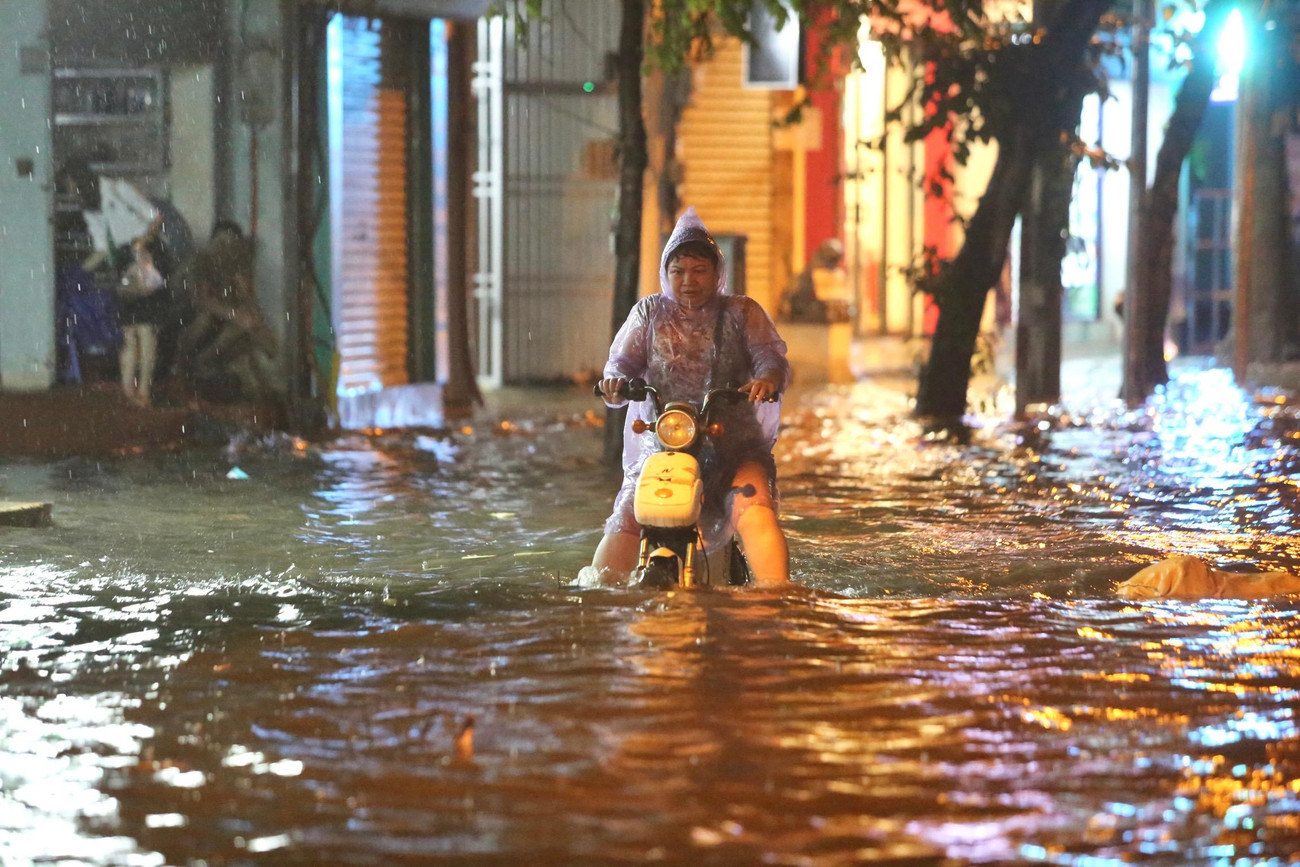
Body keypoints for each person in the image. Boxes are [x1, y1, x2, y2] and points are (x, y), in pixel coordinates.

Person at [589, 207, 792, 586]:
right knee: (628, 515)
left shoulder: (742, 312)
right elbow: (621, 363)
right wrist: (615, 382)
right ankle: (598, 592)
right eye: (678, 271)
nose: (688, 280)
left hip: (733, 446)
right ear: (665, 274)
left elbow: (769, 356)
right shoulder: (648, 312)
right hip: (663, 443)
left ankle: (777, 595)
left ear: (717, 273)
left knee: (753, 508)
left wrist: (768, 378)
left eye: (699, 270)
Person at [115, 235, 169, 407]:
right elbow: (161, 280)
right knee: (141, 342)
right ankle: (139, 391)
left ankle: (133, 390)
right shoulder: (155, 248)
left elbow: (119, 283)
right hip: (144, 305)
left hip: (137, 305)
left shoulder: (125, 248)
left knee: (134, 341)